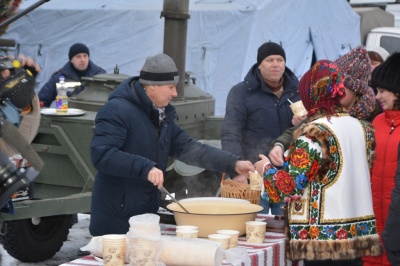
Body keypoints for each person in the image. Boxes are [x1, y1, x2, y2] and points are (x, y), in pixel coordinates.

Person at [89, 53, 255, 236]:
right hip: (116, 217)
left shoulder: (161, 115)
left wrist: (232, 163)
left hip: (144, 215)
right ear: (151, 85)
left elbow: (191, 149)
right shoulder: (116, 110)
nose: (175, 94)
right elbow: (102, 155)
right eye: (170, 87)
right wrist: (145, 168)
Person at [254, 59, 382, 265]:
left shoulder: (314, 133)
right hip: (356, 238)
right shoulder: (362, 128)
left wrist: (265, 169)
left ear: (311, 94)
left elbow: (289, 187)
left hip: (322, 242)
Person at [221, 41, 301, 215]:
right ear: (259, 65)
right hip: (253, 173)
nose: (275, 64)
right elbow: (230, 133)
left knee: (286, 228)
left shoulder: (297, 91)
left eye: (280, 59)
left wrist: (303, 122)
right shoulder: (241, 93)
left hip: (288, 175)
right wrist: (235, 170)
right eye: (269, 60)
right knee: (255, 227)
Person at [269, 45, 381, 166]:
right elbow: (298, 128)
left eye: (341, 86)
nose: (335, 90)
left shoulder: (371, 118)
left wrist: (265, 167)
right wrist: (279, 145)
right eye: (333, 84)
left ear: (356, 90)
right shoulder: (328, 108)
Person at [363, 52, 400, 266]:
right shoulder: (376, 122)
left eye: (383, 90)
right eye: (377, 90)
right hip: (373, 224)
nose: (377, 96)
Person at [38, 43, 106, 107]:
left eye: (85, 56)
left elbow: (110, 99)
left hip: (93, 117)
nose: (82, 60)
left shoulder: (100, 76)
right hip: (66, 116)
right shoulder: (60, 77)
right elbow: (42, 101)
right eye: (78, 57)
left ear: (89, 58)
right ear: (71, 60)